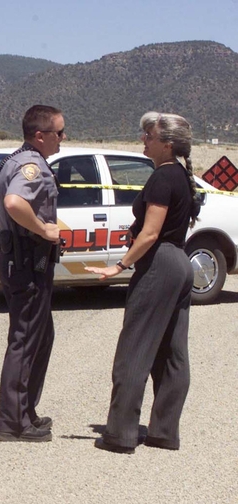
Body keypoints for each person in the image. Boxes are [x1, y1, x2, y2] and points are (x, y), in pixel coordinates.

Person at [85, 111, 200, 454]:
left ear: (167, 144)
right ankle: (164, 432)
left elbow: (150, 232)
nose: (143, 140)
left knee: (134, 350)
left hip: (161, 264)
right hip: (180, 262)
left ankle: (120, 434)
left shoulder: (163, 178)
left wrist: (119, 265)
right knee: (171, 353)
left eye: (148, 136)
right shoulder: (179, 174)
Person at [0, 105, 64, 442]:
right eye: (58, 133)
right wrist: (43, 230)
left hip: (21, 260)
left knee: (40, 336)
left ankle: (25, 411)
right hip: (27, 264)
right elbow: (13, 203)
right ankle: (13, 423)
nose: (63, 138)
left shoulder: (14, 161)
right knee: (25, 340)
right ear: (40, 135)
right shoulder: (30, 165)